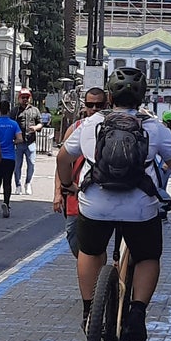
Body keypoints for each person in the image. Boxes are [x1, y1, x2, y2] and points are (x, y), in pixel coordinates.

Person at [64, 67, 171, 341]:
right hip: (139, 208)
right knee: (148, 256)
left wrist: (69, 185)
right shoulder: (154, 127)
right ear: (142, 96)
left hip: (95, 204)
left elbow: (61, 159)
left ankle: (90, 310)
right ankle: (137, 314)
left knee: (90, 252)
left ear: (110, 95)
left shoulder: (89, 125)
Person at [55, 87, 108, 256]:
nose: (94, 109)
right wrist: (58, 192)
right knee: (72, 234)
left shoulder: (112, 128)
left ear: (106, 104)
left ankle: (97, 273)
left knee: (96, 241)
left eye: (99, 105)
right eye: (90, 104)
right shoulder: (75, 128)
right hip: (74, 192)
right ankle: (91, 269)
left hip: (101, 193)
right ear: (84, 106)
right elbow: (62, 163)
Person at [0, 99, 22, 217]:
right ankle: (6, 203)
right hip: (10, 157)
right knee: (7, 181)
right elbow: (20, 139)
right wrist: (12, 142)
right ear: (8, 109)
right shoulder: (13, 124)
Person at [16, 90, 42, 195]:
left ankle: (28, 183)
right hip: (18, 143)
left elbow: (40, 123)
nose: (25, 99)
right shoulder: (15, 111)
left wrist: (35, 128)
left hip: (31, 142)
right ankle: (18, 185)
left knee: (31, 164)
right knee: (17, 165)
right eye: (23, 97)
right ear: (19, 98)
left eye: (27, 97)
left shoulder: (35, 110)